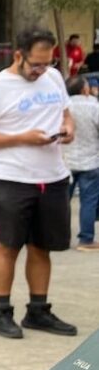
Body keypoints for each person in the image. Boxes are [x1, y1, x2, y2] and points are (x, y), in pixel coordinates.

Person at [0, 29, 77, 340]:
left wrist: (68, 128)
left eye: (47, 63)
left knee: (42, 246)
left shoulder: (54, 78)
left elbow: (66, 113)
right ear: (18, 55)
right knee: (8, 247)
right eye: (36, 65)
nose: (41, 70)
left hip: (53, 176)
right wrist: (22, 138)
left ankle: (38, 310)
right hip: (10, 179)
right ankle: (2, 312)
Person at [64, 76, 99, 251]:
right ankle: (86, 240)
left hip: (65, 162)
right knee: (89, 202)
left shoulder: (62, 106)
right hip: (90, 161)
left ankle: (59, 237)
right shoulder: (94, 106)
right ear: (84, 90)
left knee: (62, 201)